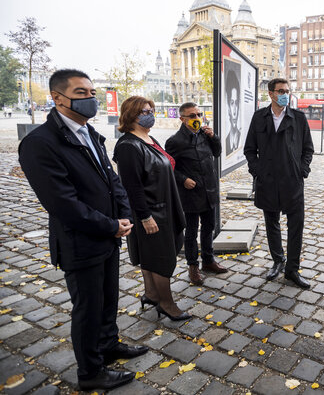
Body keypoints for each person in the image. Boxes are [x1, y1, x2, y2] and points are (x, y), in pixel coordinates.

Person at [18, 69, 147, 391]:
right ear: (58, 98)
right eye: (81, 93)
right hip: (81, 241)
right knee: (87, 308)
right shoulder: (40, 143)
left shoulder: (90, 133)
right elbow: (62, 203)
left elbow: (111, 180)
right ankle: (90, 372)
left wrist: (125, 215)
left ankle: (108, 345)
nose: (91, 98)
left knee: (107, 300)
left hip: (108, 236)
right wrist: (110, 225)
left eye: (92, 92)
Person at [113, 96, 190, 322]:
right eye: (144, 111)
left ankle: (151, 293)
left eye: (151, 109)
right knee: (161, 258)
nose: (150, 114)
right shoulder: (128, 146)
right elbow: (132, 186)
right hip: (152, 211)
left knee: (153, 255)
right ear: (131, 115)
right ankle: (166, 303)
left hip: (166, 205)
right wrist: (145, 216)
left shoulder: (147, 138)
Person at [244, 78, 314, 289]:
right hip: (268, 181)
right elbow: (249, 149)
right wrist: (258, 171)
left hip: (293, 181)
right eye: (281, 90)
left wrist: (302, 170)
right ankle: (277, 261)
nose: (285, 94)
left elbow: (308, 149)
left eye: (287, 90)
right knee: (271, 223)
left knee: (296, 226)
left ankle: (292, 269)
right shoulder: (259, 117)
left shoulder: (298, 118)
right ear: (271, 94)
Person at [165, 102, 227, 285]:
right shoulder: (175, 141)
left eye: (199, 114)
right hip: (191, 194)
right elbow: (168, 166)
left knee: (209, 228)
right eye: (192, 116)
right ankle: (193, 266)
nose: (197, 118)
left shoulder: (205, 135)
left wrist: (214, 136)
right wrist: (183, 179)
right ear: (182, 119)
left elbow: (217, 152)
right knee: (191, 232)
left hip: (209, 189)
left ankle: (209, 260)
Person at [224, 69, 241, 155]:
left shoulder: (242, 139)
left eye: (237, 103)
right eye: (231, 103)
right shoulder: (225, 142)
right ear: (227, 107)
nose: (234, 111)